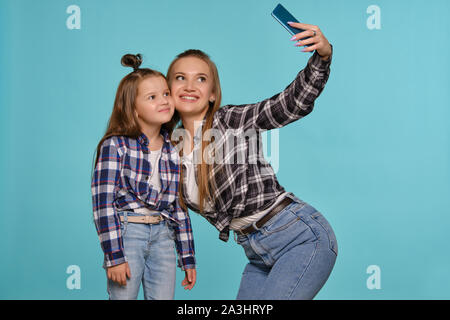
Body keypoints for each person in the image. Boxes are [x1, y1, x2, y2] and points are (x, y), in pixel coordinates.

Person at [166, 22, 337, 299]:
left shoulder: (230, 121)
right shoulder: (170, 149)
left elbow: (289, 104)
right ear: (168, 90)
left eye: (200, 79)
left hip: (300, 237)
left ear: (212, 94)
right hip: (257, 253)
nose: (189, 86)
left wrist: (322, 57)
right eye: (179, 78)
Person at [91, 53, 196, 300]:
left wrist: (187, 256)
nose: (164, 101)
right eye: (152, 97)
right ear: (133, 109)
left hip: (163, 235)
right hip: (128, 234)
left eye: (166, 94)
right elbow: (103, 205)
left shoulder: (174, 147)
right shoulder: (115, 146)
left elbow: (178, 205)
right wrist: (114, 256)